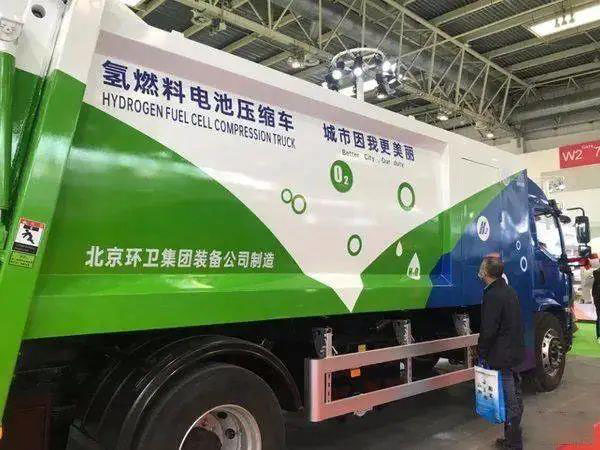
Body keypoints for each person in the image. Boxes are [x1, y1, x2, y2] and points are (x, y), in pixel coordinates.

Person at [477, 255, 525, 450]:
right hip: (513, 352)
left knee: (509, 398)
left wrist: (481, 352)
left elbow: (488, 329)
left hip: (502, 355)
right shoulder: (509, 291)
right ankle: (512, 438)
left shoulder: (492, 295)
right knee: (515, 393)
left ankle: (514, 443)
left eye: (481, 268)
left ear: (485, 272)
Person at [592, 264, 600, 344]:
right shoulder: (596, 273)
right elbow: (594, 292)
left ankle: (599, 336)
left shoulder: (596, 273)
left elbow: (593, 292)